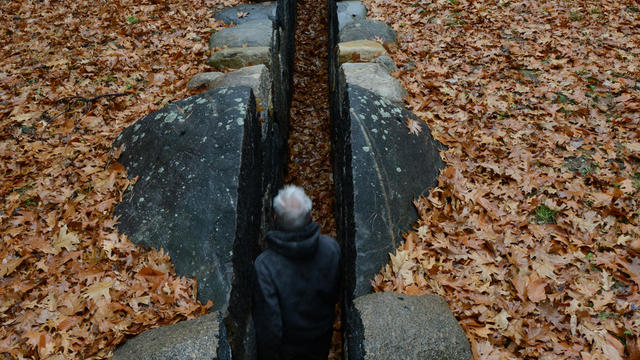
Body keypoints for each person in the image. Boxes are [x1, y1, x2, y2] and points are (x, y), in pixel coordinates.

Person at [252, 185, 341, 360]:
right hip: (321, 336)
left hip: (287, 349)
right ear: (311, 216)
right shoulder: (331, 249)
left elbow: (270, 324)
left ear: (276, 219)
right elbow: (335, 292)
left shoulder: (265, 266)